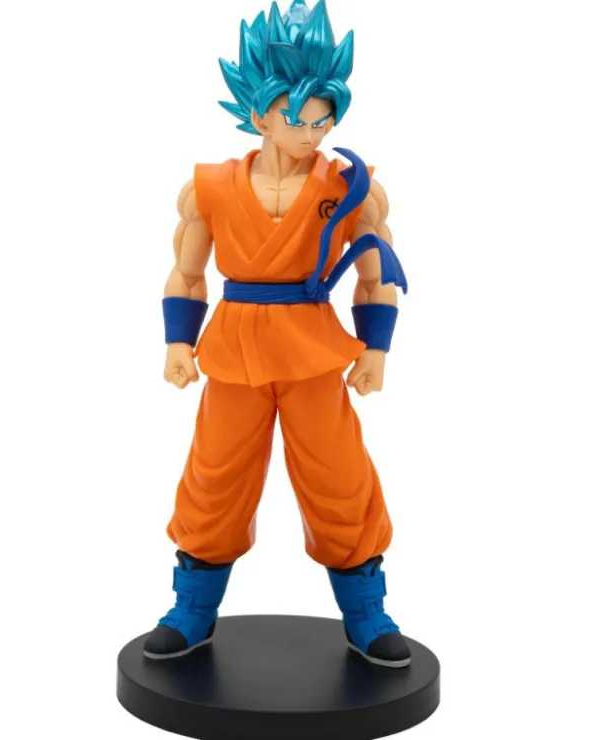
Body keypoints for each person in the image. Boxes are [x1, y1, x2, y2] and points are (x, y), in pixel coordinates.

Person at [144, 0, 411, 668]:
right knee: (215, 475)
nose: (311, 133)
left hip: (312, 349)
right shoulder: (209, 188)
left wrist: (376, 349)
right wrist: (178, 341)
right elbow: (187, 272)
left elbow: (377, 276)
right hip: (234, 348)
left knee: (339, 475)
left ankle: (366, 611)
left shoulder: (350, 188)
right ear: (260, 113)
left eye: (324, 120)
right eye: (296, 118)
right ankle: (192, 607)